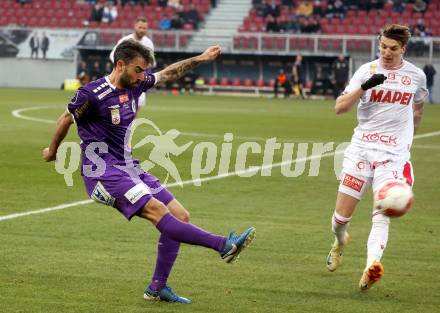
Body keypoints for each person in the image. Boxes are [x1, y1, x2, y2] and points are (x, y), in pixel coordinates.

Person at [42, 40, 255, 303]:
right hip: (102, 172)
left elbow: (169, 73)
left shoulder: (136, 84)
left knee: (180, 215)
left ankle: (157, 288)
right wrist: (52, 151)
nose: (143, 76)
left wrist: (201, 58)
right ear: (120, 65)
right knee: (159, 212)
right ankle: (223, 245)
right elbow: (66, 118)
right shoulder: (92, 94)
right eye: (138, 70)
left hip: (128, 166)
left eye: (144, 71)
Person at [326, 24, 428, 291]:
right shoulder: (366, 71)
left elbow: (418, 108)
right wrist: (363, 87)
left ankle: (371, 266)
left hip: (392, 157)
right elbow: (339, 108)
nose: (386, 52)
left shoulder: (415, 76)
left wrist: (407, 139)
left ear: (403, 49)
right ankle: (339, 241)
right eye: (383, 46)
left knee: (382, 213)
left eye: (393, 48)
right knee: (339, 219)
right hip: (361, 150)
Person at [110, 16, 155, 109]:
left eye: (144, 28)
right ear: (135, 27)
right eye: (140, 27)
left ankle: (132, 124)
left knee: (137, 107)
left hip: (139, 81)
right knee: (121, 107)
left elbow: (151, 62)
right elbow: (112, 55)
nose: (142, 30)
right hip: (124, 80)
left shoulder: (148, 43)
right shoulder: (125, 41)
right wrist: (123, 68)